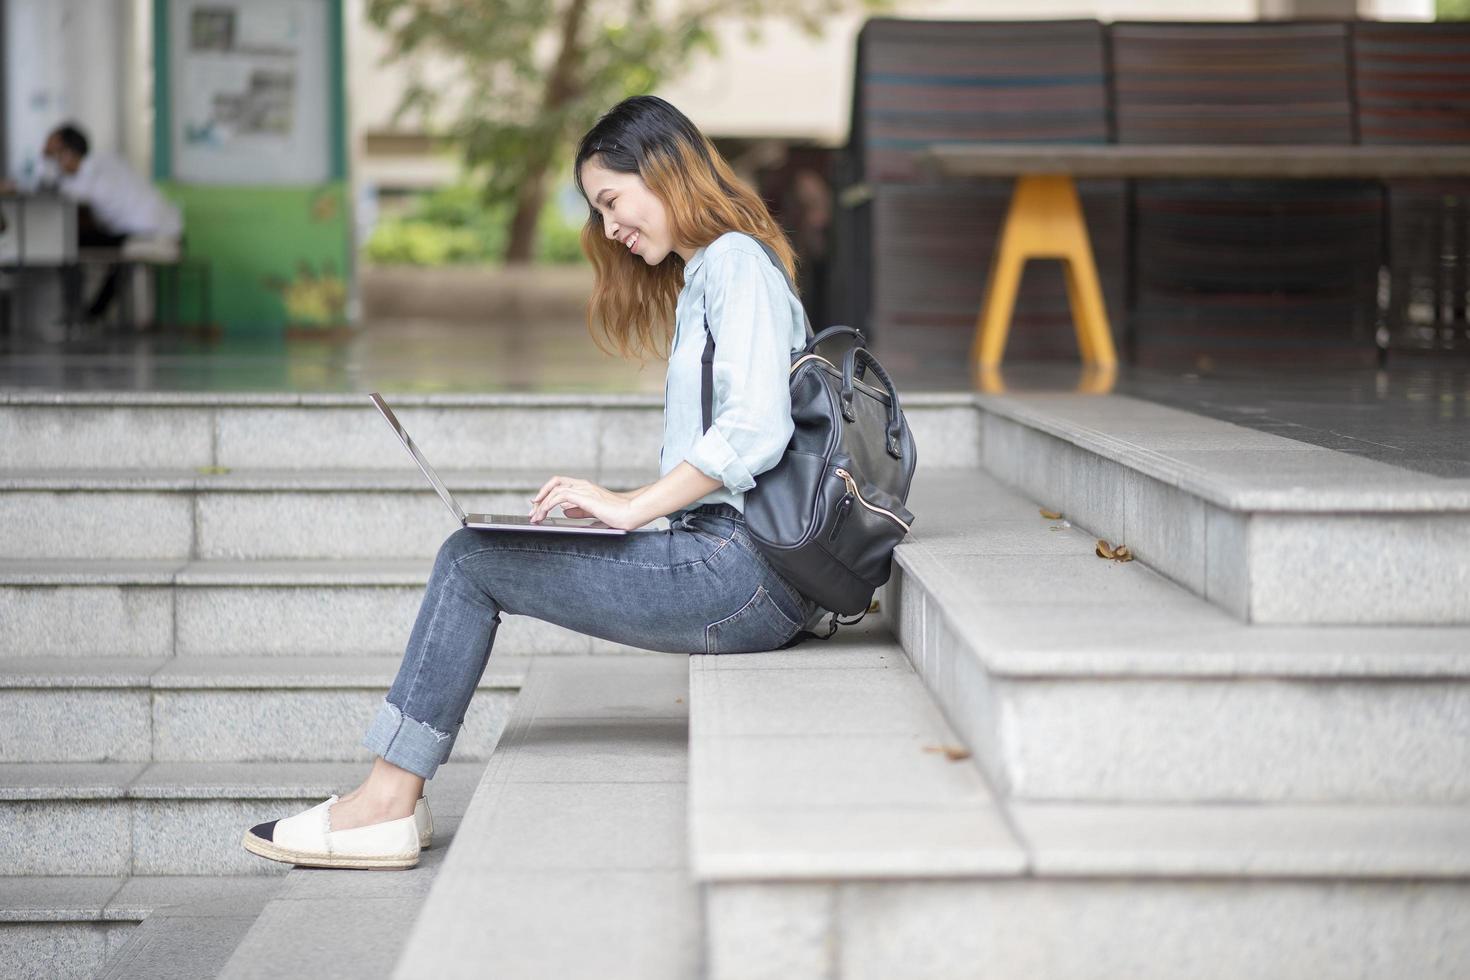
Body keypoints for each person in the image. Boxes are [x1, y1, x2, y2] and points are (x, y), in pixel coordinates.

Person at [241, 95, 829, 871]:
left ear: (663, 170)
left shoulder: (735, 264)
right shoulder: (707, 274)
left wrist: (629, 510)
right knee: (480, 551)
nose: (610, 229)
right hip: (727, 563)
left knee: (470, 560)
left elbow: (755, 430)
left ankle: (385, 803)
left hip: (741, 577)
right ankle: (386, 800)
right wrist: (614, 517)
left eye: (612, 201)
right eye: (598, 212)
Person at [4, 123, 184, 322]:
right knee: (74, 244)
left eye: (52, 153)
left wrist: (30, 173)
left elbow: (49, 189)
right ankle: (92, 314)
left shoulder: (89, 174)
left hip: (148, 232)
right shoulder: (104, 161)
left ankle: (80, 315)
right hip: (152, 227)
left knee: (67, 246)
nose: (50, 158)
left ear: (68, 154)